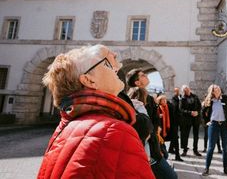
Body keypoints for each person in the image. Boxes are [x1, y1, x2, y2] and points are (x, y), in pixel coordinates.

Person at [37, 44, 154, 179]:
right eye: (107, 64)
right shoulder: (114, 130)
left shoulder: (66, 126)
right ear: (88, 80)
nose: (118, 66)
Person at [127, 69, 178, 179]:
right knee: (171, 176)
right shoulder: (140, 94)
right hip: (149, 148)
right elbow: (142, 123)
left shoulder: (139, 94)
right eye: (143, 75)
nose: (146, 76)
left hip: (151, 145)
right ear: (137, 82)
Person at [202, 84, 227, 176]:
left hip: (225, 125)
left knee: (225, 148)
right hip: (214, 124)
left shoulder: (225, 98)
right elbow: (202, 111)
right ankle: (206, 169)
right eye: (216, 88)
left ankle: (225, 169)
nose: (218, 89)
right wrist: (206, 122)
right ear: (213, 91)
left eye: (218, 88)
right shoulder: (210, 100)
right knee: (211, 147)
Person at [157, 94, 183, 161]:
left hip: (170, 127)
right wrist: (158, 116)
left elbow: (176, 113)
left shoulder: (170, 106)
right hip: (161, 128)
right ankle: (162, 157)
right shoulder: (157, 108)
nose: (165, 101)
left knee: (176, 140)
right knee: (161, 143)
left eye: (165, 99)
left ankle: (177, 156)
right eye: (163, 100)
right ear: (160, 101)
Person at [179, 85, 202, 156]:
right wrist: (190, 112)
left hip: (196, 118)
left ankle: (195, 150)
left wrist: (197, 112)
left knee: (196, 135)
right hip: (187, 119)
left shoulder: (195, 96)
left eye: (188, 89)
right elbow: (181, 109)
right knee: (185, 135)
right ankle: (185, 150)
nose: (187, 91)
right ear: (183, 91)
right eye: (185, 90)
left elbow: (200, 106)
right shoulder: (182, 98)